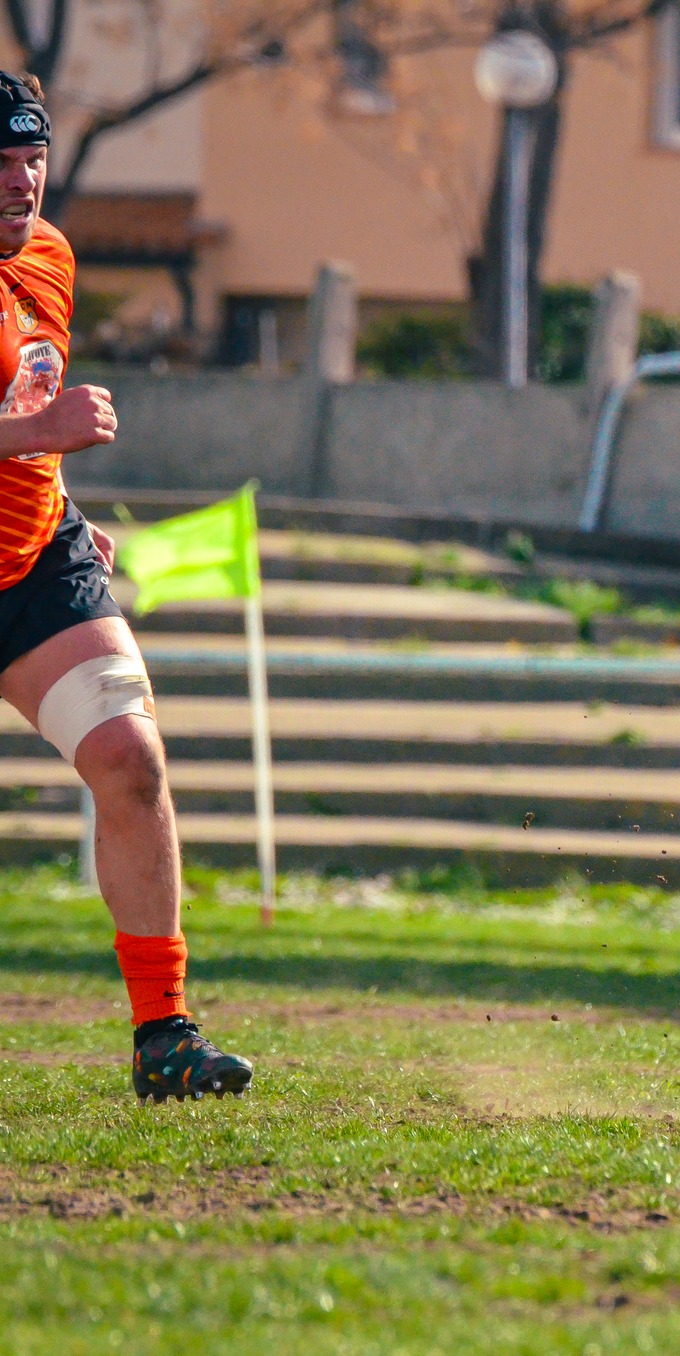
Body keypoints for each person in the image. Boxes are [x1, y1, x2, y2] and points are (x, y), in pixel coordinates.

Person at [0, 73, 251, 1102]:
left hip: (29, 561)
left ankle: (165, 1035)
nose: (22, 184)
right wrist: (36, 438)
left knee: (130, 757)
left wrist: (50, 481)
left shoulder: (47, 255)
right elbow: (29, 416)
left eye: (32, 159)